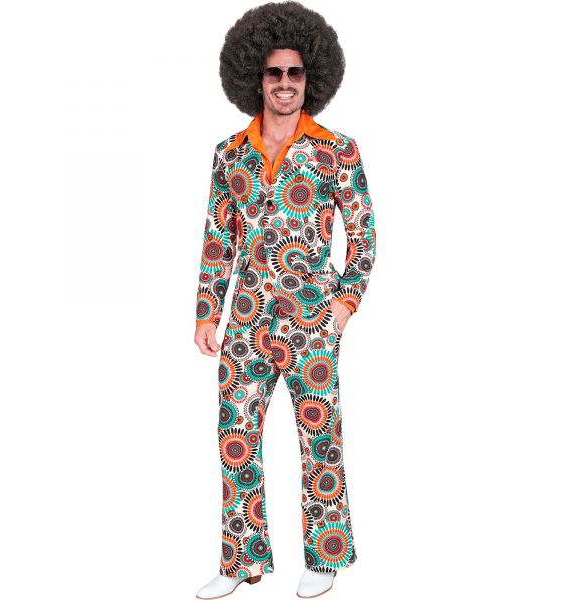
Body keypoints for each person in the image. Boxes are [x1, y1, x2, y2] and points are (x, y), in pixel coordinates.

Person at [194, 2, 376, 598]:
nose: (284, 83)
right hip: (245, 318)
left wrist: (343, 307)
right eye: (274, 72)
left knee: (320, 439)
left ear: (310, 77)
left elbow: (364, 237)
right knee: (235, 438)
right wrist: (206, 312)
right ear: (256, 76)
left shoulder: (338, 150)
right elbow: (218, 240)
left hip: (312, 319)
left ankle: (325, 555)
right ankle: (241, 561)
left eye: (295, 72)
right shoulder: (229, 153)